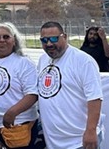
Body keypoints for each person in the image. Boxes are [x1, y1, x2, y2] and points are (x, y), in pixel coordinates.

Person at [37, 21, 104, 149]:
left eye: (54, 38)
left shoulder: (83, 61)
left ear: (65, 37)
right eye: (44, 40)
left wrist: (90, 131)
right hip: (53, 141)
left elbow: (95, 98)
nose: (49, 44)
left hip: (79, 141)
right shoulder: (43, 60)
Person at [0, 23, 44, 149]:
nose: (1, 40)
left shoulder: (24, 62)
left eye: (6, 37)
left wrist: (12, 112)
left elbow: (33, 94)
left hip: (17, 124)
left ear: (14, 40)